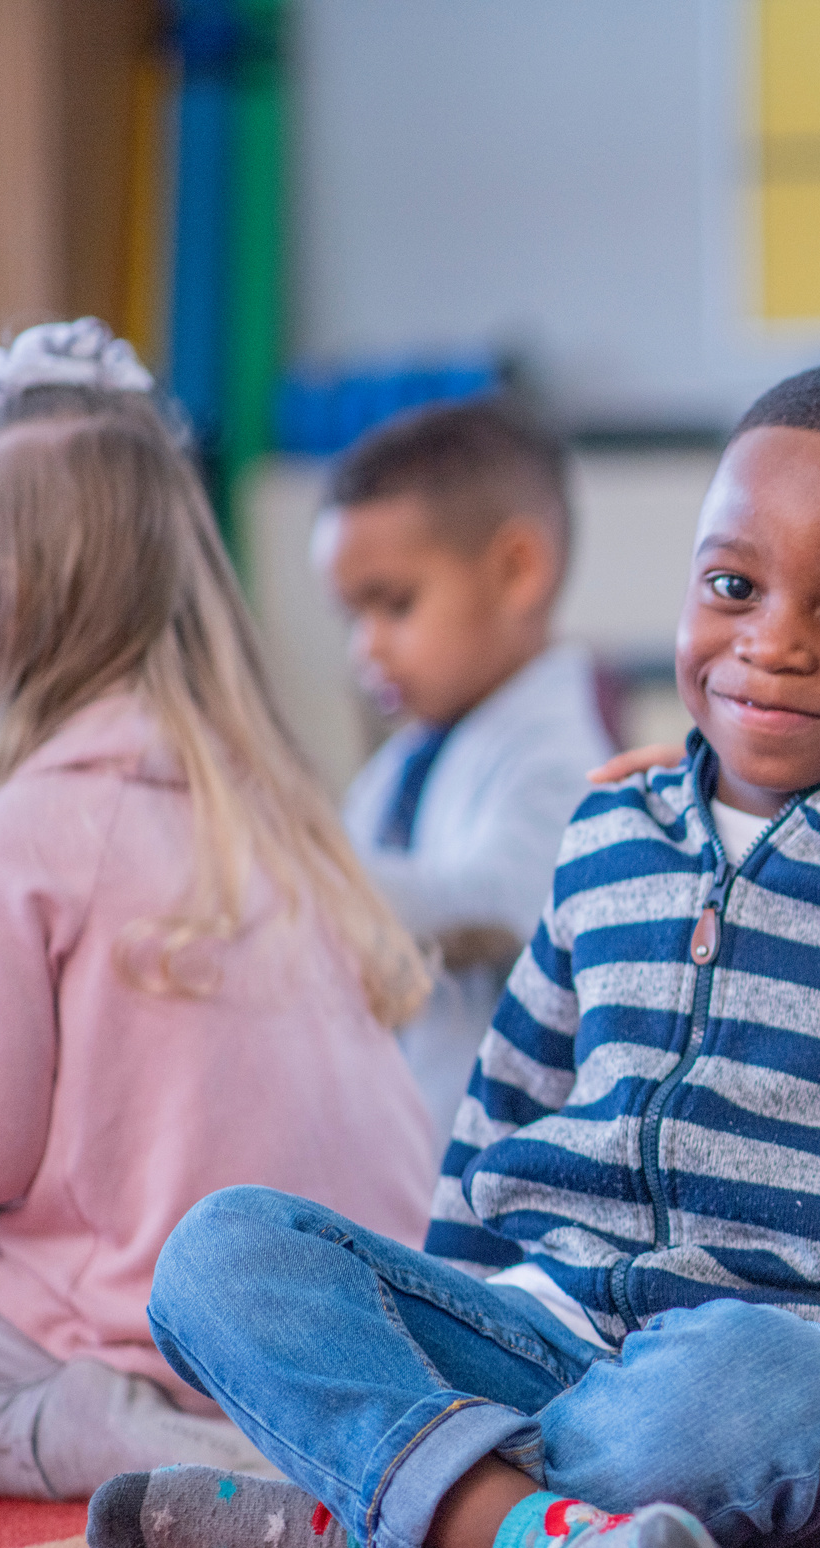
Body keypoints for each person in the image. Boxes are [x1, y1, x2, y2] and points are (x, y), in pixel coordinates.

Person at [97, 362, 820, 1548]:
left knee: (714, 1406)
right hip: (549, 1318)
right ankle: (519, 1528)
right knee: (220, 1250)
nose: (771, 641)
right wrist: (441, 1312)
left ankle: (364, 1504)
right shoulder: (610, 828)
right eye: (732, 586)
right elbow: (506, 1103)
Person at [0, 322, 435, 1500]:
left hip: (154, 1351)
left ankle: (104, 1433)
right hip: (367, 1334)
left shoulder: (32, 827)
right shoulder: (277, 812)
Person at [322, 397, 614, 1144]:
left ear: (518, 571)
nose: (366, 648)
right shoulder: (405, 760)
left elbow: (490, 906)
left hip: (489, 1193)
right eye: (353, 617)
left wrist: (292, 860)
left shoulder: (561, 757)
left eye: (395, 605)